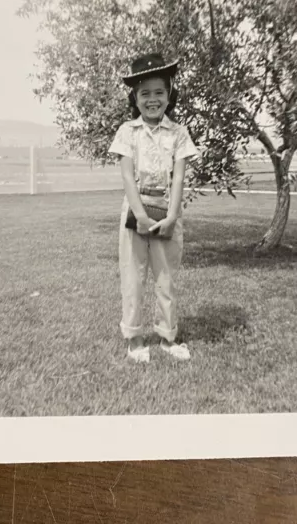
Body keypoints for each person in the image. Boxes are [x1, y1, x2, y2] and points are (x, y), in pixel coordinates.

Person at [108, 53, 199, 363]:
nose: (152, 99)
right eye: (144, 93)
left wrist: (172, 216)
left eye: (159, 92)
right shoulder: (127, 132)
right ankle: (134, 339)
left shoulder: (179, 133)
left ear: (169, 93)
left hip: (167, 209)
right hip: (135, 210)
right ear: (134, 97)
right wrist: (141, 215)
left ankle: (167, 338)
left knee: (166, 277)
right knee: (132, 276)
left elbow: (178, 180)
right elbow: (126, 177)